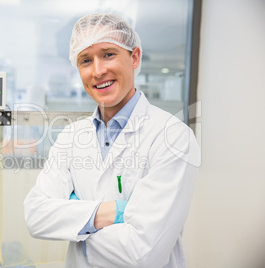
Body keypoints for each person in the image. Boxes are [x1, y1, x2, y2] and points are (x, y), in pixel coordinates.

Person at [24, 13, 200, 268]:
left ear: (135, 57)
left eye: (108, 54)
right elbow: (36, 216)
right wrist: (111, 213)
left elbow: (142, 254)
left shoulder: (173, 137)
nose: (98, 71)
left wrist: (75, 220)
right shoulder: (71, 137)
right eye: (86, 60)